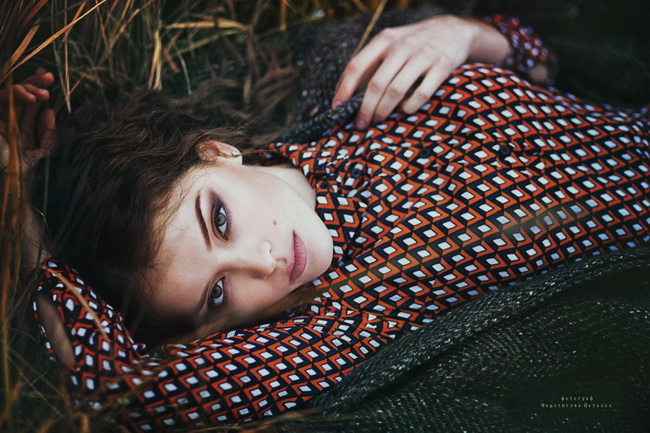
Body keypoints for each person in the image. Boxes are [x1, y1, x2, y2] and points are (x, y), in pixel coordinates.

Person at [4, 11, 647, 432]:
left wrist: (470, 34)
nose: (262, 263)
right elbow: (118, 390)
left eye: (219, 220)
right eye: (218, 293)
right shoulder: (341, 318)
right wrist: (20, 208)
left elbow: (554, 58)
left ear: (216, 151)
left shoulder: (345, 80)